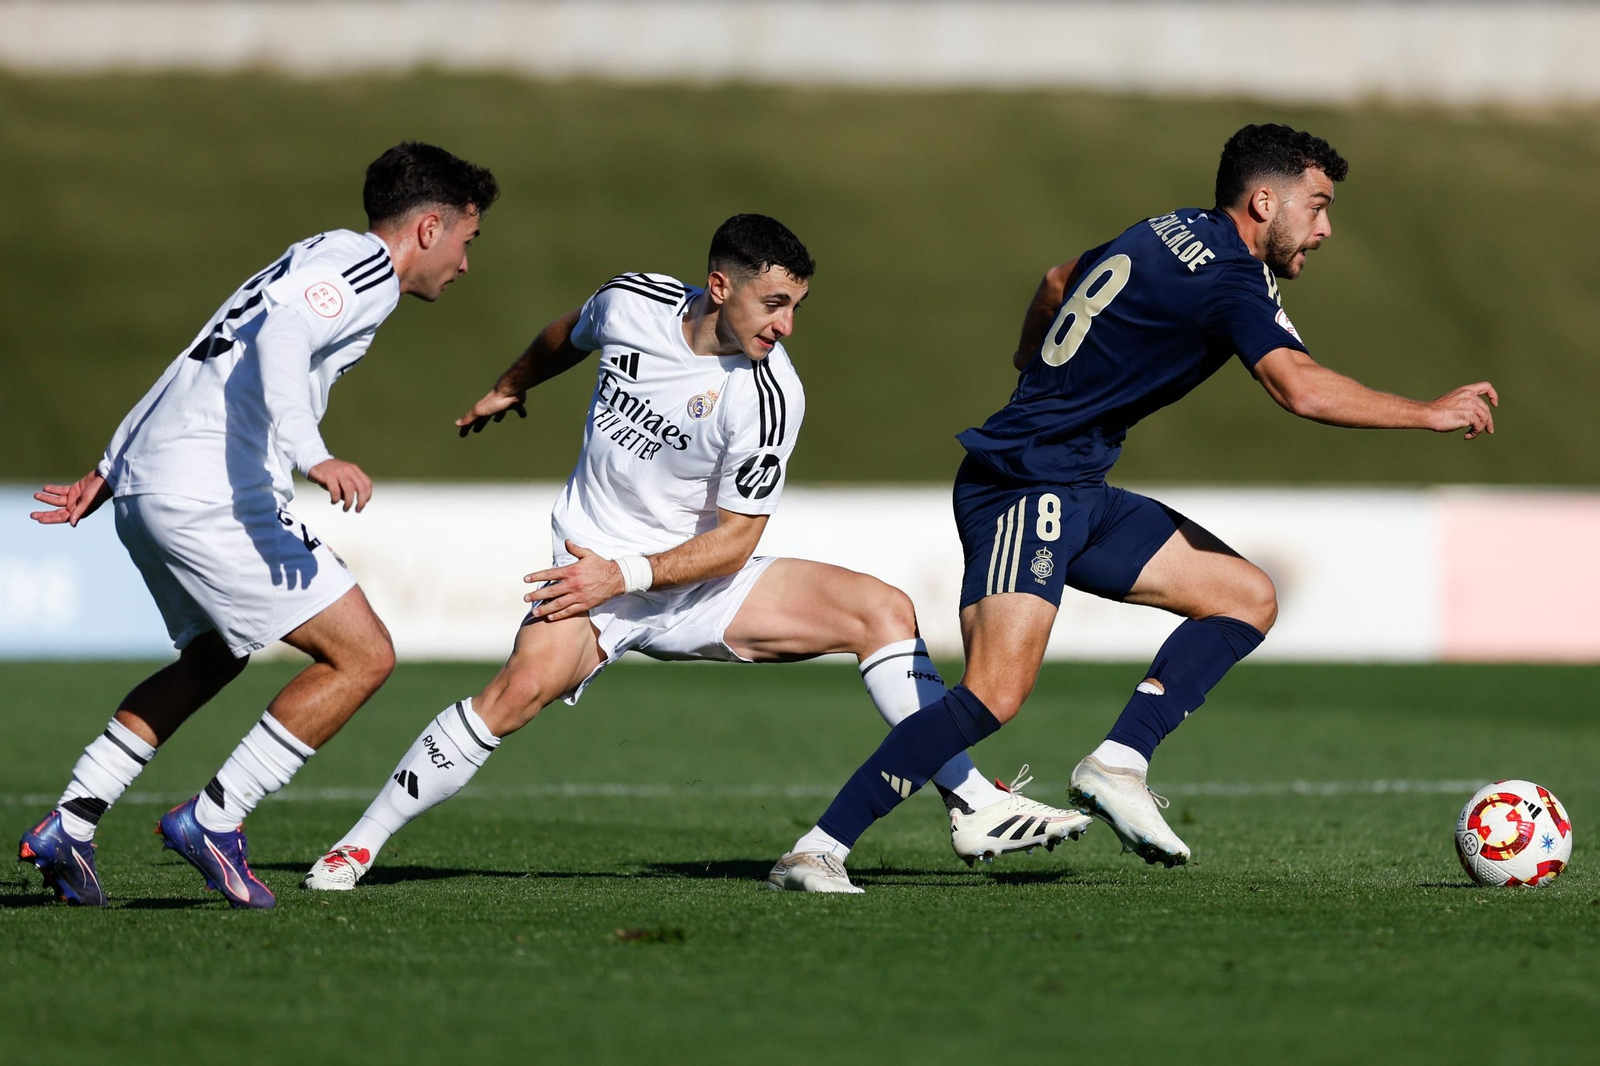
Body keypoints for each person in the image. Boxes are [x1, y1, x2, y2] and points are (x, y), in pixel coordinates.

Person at [768, 123, 1500, 892]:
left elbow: (1056, 281)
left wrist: (1032, 367)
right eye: (1316, 206)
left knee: (1245, 598)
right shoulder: (1229, 277)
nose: (1325, 228)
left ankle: (1119, 762)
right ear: (1263, 200)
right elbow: (1302, 388)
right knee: (994, 693)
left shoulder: (1169, 228)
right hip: (1026, 486)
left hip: (1076, 484)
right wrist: (1430, 413)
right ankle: (817, 850)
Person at [301, 214, 1087, 893]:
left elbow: (737, 541)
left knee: (882, 610)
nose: (785, 326)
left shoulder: (772, 395)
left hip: (696, 578)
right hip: (591, 576)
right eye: (774, 304)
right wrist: (512, 383)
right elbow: (567, 332)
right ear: (719, 287)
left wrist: (631, 572)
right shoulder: (632, 302)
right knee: (514, 694)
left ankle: (970, 802)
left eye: (796, 308)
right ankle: (356, 844)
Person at [17, 142, 499, 908]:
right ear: (430, 227)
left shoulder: (316, 253)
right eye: (469, 242)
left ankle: (71, 821)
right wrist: (315, 455)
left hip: (153, 483)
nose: (466, 265)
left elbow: (205, 341)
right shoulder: (367, 272)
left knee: (213, 655)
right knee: (363, 656)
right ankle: (216, 818)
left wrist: (112, 465)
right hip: (215, 491)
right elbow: (276, 339)